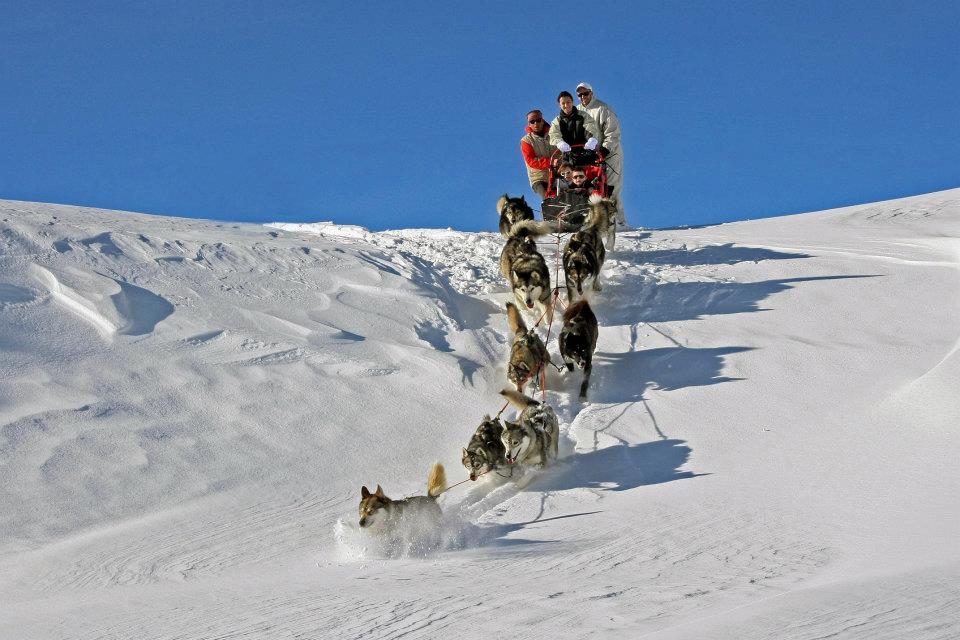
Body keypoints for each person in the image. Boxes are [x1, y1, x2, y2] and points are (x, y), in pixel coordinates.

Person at [576, 82, 626, 225]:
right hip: (591, 157)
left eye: (585, 93)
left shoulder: (603, 109)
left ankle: (619, 222)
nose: (583, 97)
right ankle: (596, 220)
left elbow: (613, 133)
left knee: (611, 189)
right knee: (594, 189)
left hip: (610, 155)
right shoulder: (578, 111)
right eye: (580, 95)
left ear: (591, 93)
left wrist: (605, 149)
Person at [519, 109, 556, 199]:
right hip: (539, 177)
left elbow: (560, 150)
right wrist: (551, 162)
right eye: (532, 121)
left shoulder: (553, 134)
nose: (536, 123)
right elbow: (531, 160)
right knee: (547, 200)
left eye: (538, 120)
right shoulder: (526, 141)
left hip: (557, 174)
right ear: (529, 124)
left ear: (542, 120)